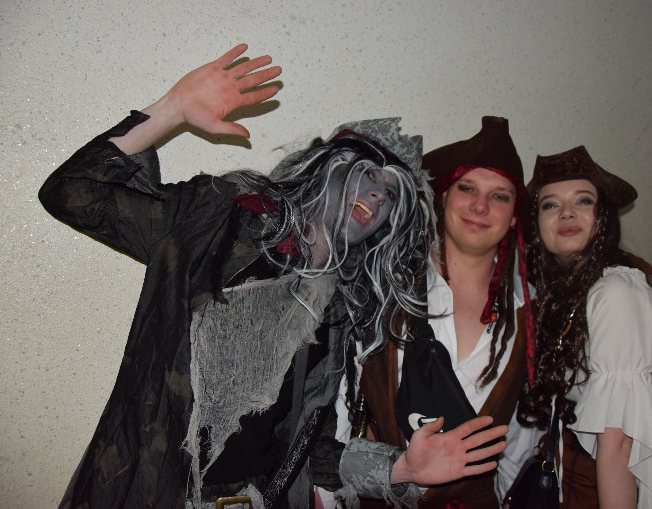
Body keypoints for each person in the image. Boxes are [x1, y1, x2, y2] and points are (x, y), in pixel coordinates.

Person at [39, 45, 508, 509]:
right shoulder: (219, 223)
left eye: (390, 193)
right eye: (367, 173)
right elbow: (73, 192)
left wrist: (399, 468)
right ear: (325, 168)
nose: (378, 195)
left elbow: (302, 450)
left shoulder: (337, 306)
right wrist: (170, 110)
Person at [517, 146, 652, 508]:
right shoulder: (561, 293)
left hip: (638, 482)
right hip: (583, 473)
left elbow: (620, 442)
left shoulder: (616, 292)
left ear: (604, 218)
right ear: (537, 225)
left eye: (583, 201)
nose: (566, 212)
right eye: (550, 204)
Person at [350, 116, 535, 508]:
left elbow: (522, 436)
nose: (480, 206)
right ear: (444, 196)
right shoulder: (385, 286)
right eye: (467, 188)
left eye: (500, 196)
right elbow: (338, 411)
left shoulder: (528, 312)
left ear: (515, 216)